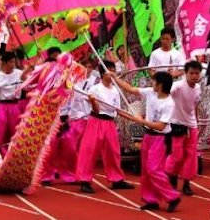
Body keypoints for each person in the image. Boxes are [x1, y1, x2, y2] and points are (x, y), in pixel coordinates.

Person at [111, 71, 181, 212]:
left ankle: (172, 196)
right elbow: (130, 88)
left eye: (154, 81)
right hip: (148, 136)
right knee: (146, 170)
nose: (152, 83)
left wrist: (141, 121)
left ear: (160, 85)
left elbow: (161, 126)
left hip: (160, 139)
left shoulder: (169, 103)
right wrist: (115, 78)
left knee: (154, 169)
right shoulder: (150, 92)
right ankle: (151, 200)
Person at [76, 60, 134, 194]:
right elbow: (96, 110)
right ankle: (84, 180)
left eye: (113, 70)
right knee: (89, 151)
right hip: (96, 121)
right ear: (102, 73)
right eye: (109, 70)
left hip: (110, 123)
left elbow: (117, 110)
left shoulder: (115, 90)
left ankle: (117, 179)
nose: (112, 73)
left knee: (113, 151)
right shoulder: (95, 89)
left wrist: (135, 118)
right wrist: (92, 101)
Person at [164, 60, 202, 196]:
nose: (194, 76)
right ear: (185, 73)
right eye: (191, 73)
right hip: (177, 124)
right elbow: (166, 93)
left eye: (197, 73)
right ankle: (171, 178)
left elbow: (194, 105)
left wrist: (197, 121)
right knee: (177, 155)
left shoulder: (198, 88)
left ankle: (186, 183)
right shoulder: (178, 86)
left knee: (191, 156)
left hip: (191, 125)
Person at [0, 52, 27, 156]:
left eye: (14, 61)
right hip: (1, 106)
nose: (13, 64)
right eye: (10, 62)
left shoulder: (19, 73)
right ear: (3, 63)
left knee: (15, 131)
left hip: (15, 106)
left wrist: (33, 63)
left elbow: (28, 76)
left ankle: (13, 155)